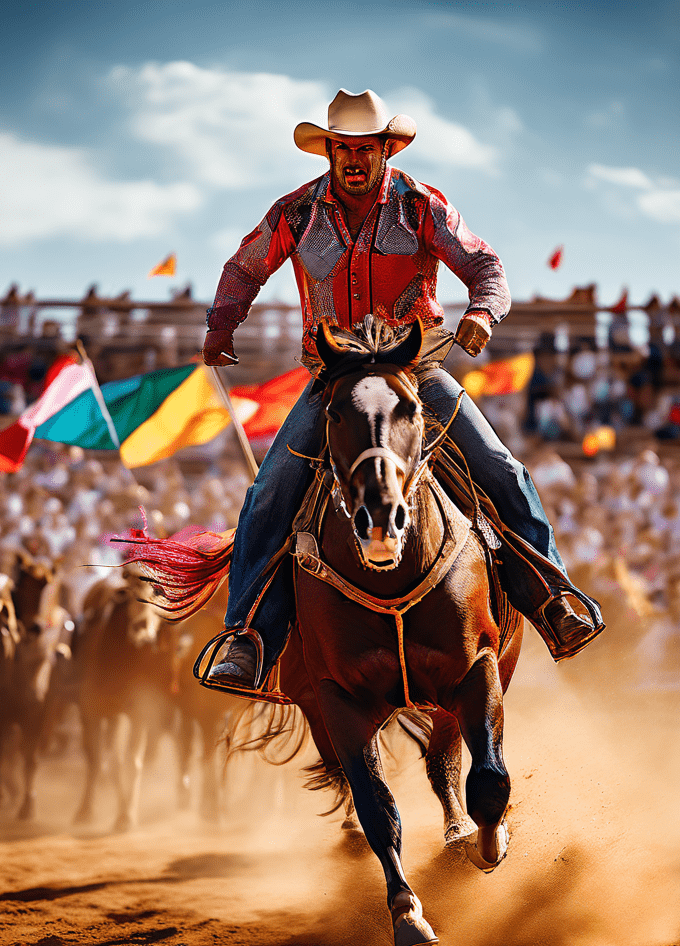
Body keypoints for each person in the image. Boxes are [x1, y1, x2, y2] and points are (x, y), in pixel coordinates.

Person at [201, 88, 602, 693]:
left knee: (500, 467)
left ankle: (555, 599)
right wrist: (222, 320)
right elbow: (245, 267)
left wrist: (483, 312)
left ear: (386, 149)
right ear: (329, 151)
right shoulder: (296, 211)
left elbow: (486, 267)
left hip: (413, 373)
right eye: (343, 148)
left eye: (366, 148)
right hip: (331, 378)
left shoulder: (420, 206)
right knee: (270, 490)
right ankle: (247, 638)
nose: (354, 159)